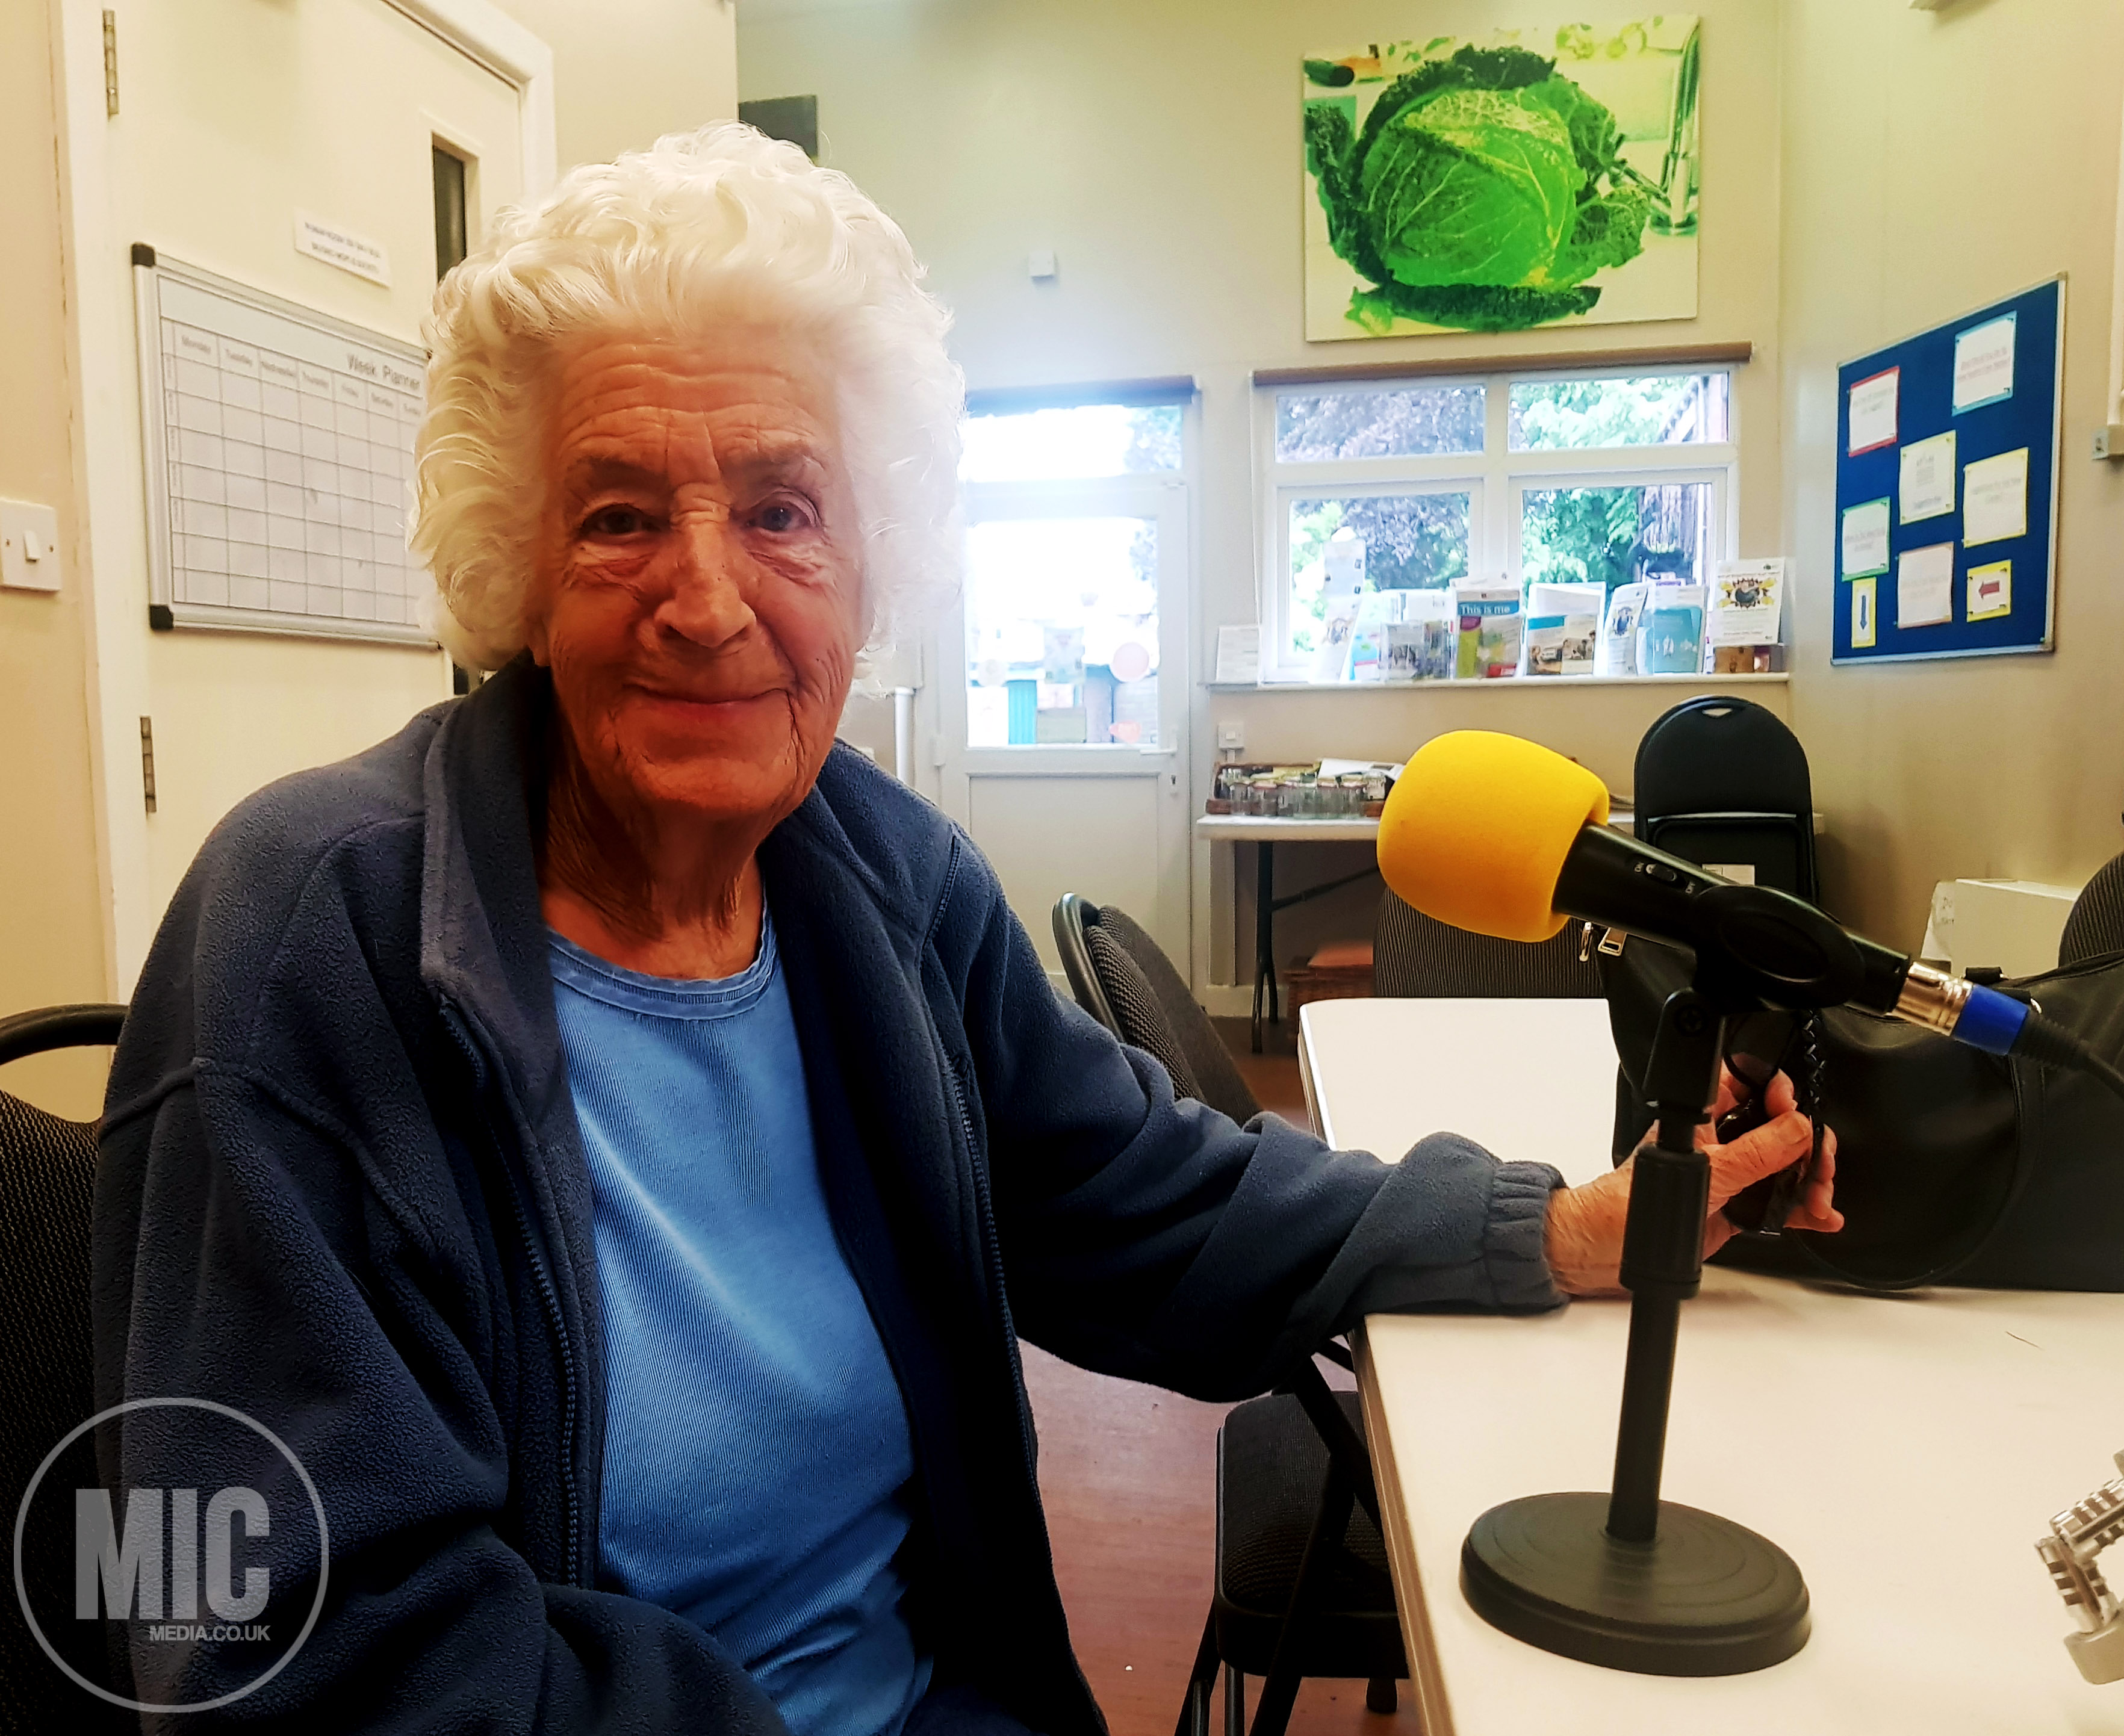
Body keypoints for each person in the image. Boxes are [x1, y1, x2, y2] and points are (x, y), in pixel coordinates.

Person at [93, 125, 1839, 1736]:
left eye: (781, 510)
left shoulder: (876, 874)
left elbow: (1147, 1200)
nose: (708, 600)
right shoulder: (308, 942)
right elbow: (287, 1649)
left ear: (872, 567)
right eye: (620, 515)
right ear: (519, 577)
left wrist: (1552, 1226)